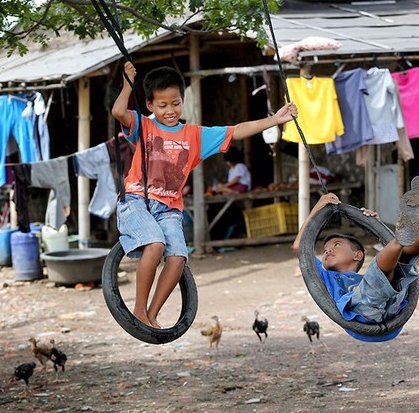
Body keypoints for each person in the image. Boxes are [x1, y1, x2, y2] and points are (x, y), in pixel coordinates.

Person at [111, 63, 297, 328]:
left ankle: (152, 314)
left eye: (175, 104)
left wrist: (275, 120)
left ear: (183, 102)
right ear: (150, 105)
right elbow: (118, 111)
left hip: (169, 208)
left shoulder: (194, 135)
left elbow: (236, 130)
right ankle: (139, 310)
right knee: (155, 244)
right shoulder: (144, 127)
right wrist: (128, 81)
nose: (170, 111)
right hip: (136, 200)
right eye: (162, 105)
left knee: (178, 258)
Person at [292, 176, 419, 342]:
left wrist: (376, 224)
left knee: (402, 262)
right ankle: (401, 237)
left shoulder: (364, 278)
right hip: (363, 310)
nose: (327, 251)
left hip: (394, 305)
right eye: (325, 249)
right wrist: (318, 208)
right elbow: (301, 247)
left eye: (336, 245)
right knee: (380, 273)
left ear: (357, 255)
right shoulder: (323, 275)